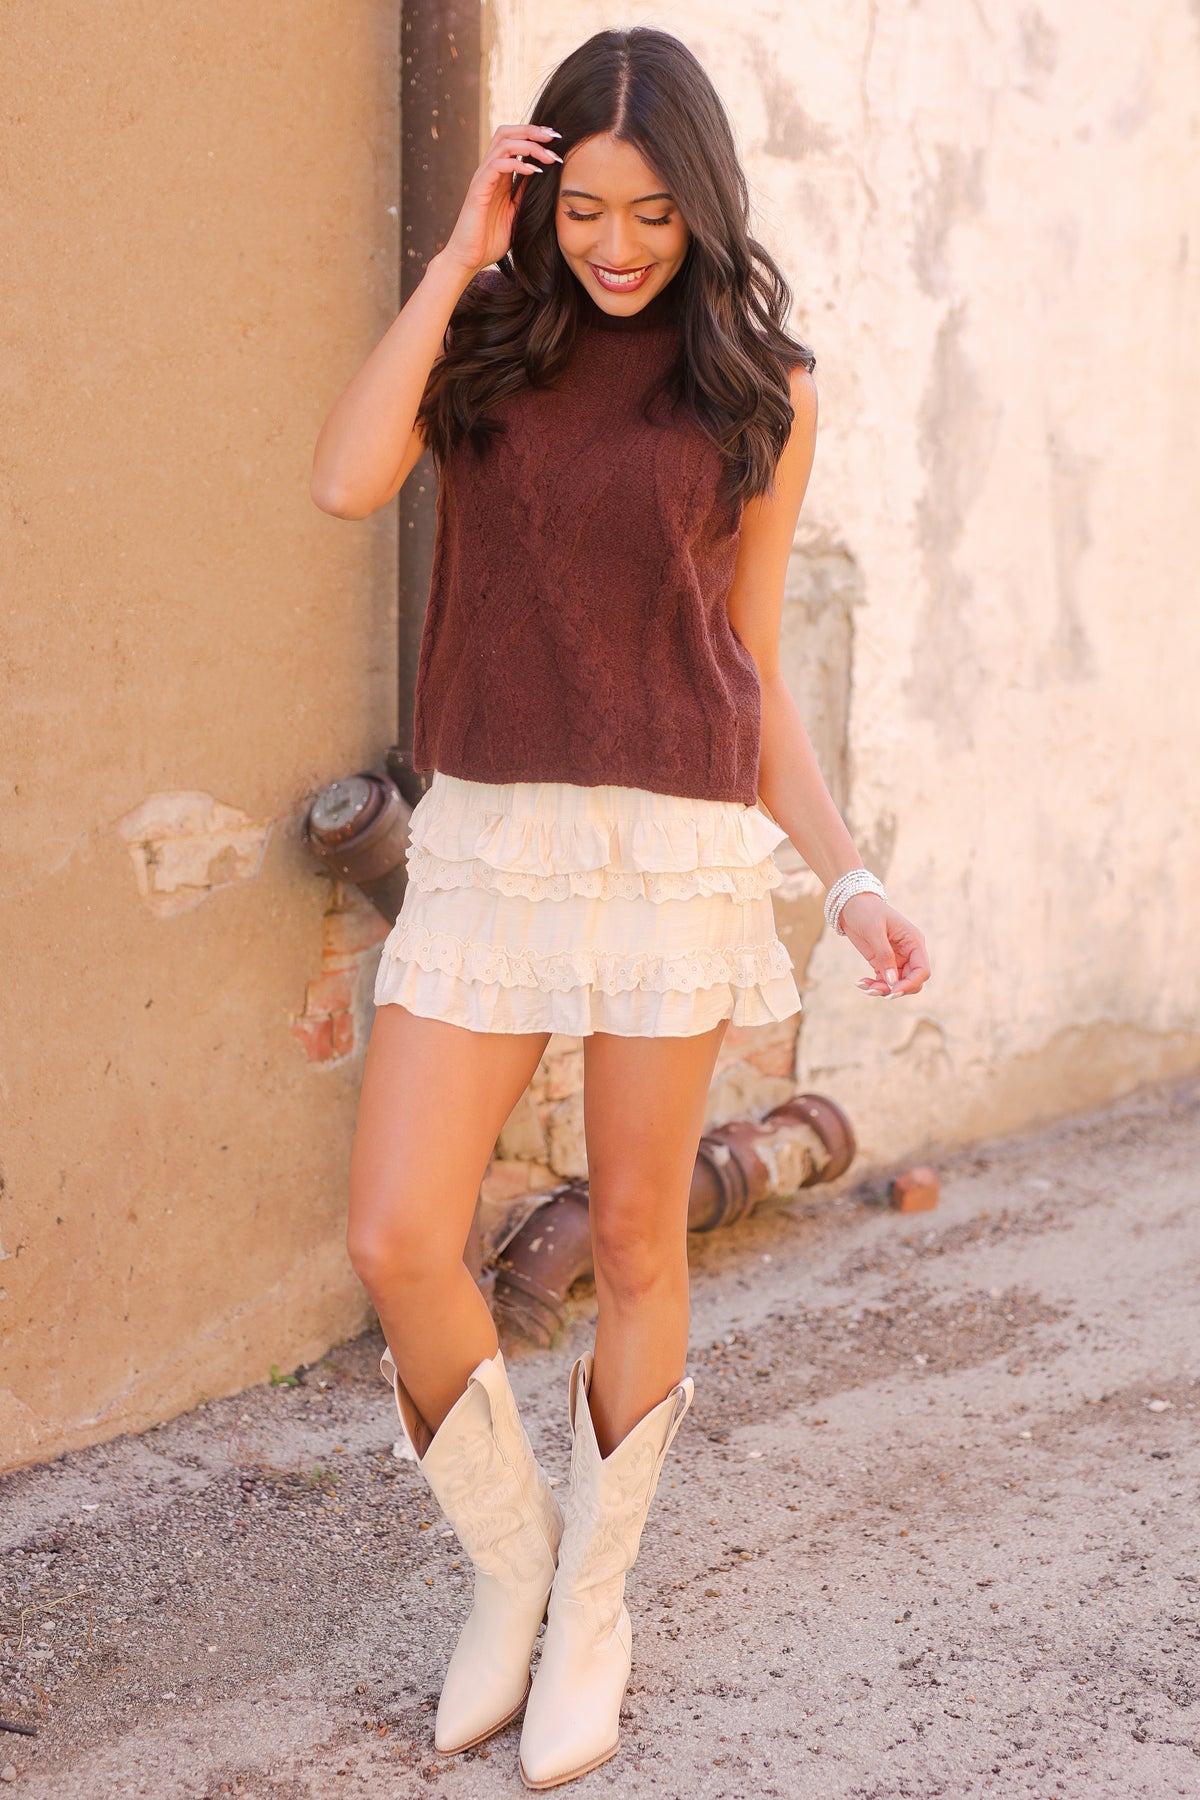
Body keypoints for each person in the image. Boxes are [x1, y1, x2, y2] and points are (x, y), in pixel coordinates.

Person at [311, 25, 930, 1791]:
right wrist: (459, 254)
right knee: (398, 1236)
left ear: (703, 205)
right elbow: (345, 478)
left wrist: (849, 875)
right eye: (586, 206)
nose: (619, 244)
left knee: (645, 1241)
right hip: (495, 841)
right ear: (542, 195)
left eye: (654, 213)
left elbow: (748, 659)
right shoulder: (491, 337)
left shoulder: (760, 386)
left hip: (670, 850)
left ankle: (595, 1605)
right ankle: (512, 1571)